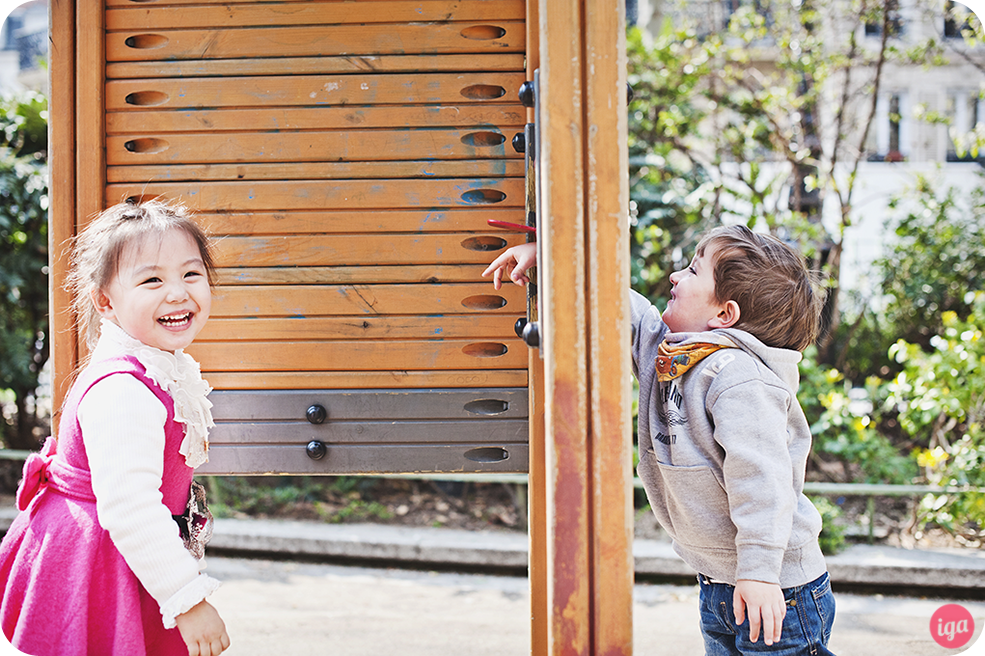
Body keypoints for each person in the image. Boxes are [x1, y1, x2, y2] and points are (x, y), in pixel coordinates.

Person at [483, 226, 836, 656]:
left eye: (692, 270)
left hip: (779, 587)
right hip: (721, 581)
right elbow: (624, 311)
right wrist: (553, 257)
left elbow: (763, 481)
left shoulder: (737, 378)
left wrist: (761, 573)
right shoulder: (672, 355)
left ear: (724, 315)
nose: (674, 276)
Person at [0, 199, 231, 656]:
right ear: (105, 301)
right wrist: (187, 599)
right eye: (152, 280)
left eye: (191, 274)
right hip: (96, 564)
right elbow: (130, 508)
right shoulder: (124, 389)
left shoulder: (159, 368)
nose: (178, 293)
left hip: (126, 556)